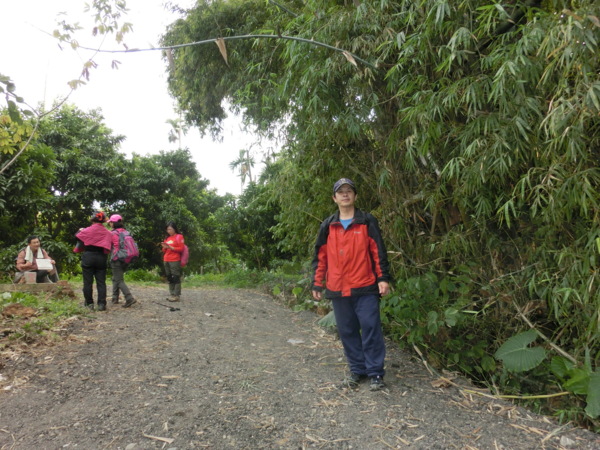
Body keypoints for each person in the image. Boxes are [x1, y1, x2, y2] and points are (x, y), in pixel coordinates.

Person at [311, 178, 391, 391]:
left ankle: (375, 373)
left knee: (371, 327)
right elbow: (321, 257)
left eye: (349, 191)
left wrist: (383, 278)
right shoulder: (328, 225)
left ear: (355, 196)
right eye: (341, 192)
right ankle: (357, 370)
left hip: (365, 285)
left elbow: (378, 251)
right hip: (337, 287)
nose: (345, 194)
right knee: (347, 331)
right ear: (334, 198)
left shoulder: (366, 221)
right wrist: (317, 283)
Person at [74, 211, 113, 311]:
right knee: (101, 282)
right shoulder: (107, 232)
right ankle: (102, 304)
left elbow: (77, 236)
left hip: (88, 256)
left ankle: (89, 303)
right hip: (101, 257)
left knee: (87, 282)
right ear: (103, 220)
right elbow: (111, 241)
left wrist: (79, 230)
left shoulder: (87, 230)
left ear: (92, 219)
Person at [108, 214, 137, 308]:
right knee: (115, 277)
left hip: (117, 258)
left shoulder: (113, 233)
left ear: (113, 223)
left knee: (119, 279)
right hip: (126, 258)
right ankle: (115, 298)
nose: (109, 224)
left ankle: (129, 298)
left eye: (110, 222)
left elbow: (112, 246)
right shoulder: (125, 232)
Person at [161, 222, 184, 302]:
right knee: (169, 277)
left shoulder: (179, 237)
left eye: (170, 229)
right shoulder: (167, 238)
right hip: (166, 259)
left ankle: (177, 295)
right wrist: (164, 247)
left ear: (174, 229)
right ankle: (172, 294)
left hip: (175, 259)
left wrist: (171, 247)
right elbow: (164, 250)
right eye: (167, 229)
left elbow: (181, 249)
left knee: (176, 276)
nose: (169, 231)